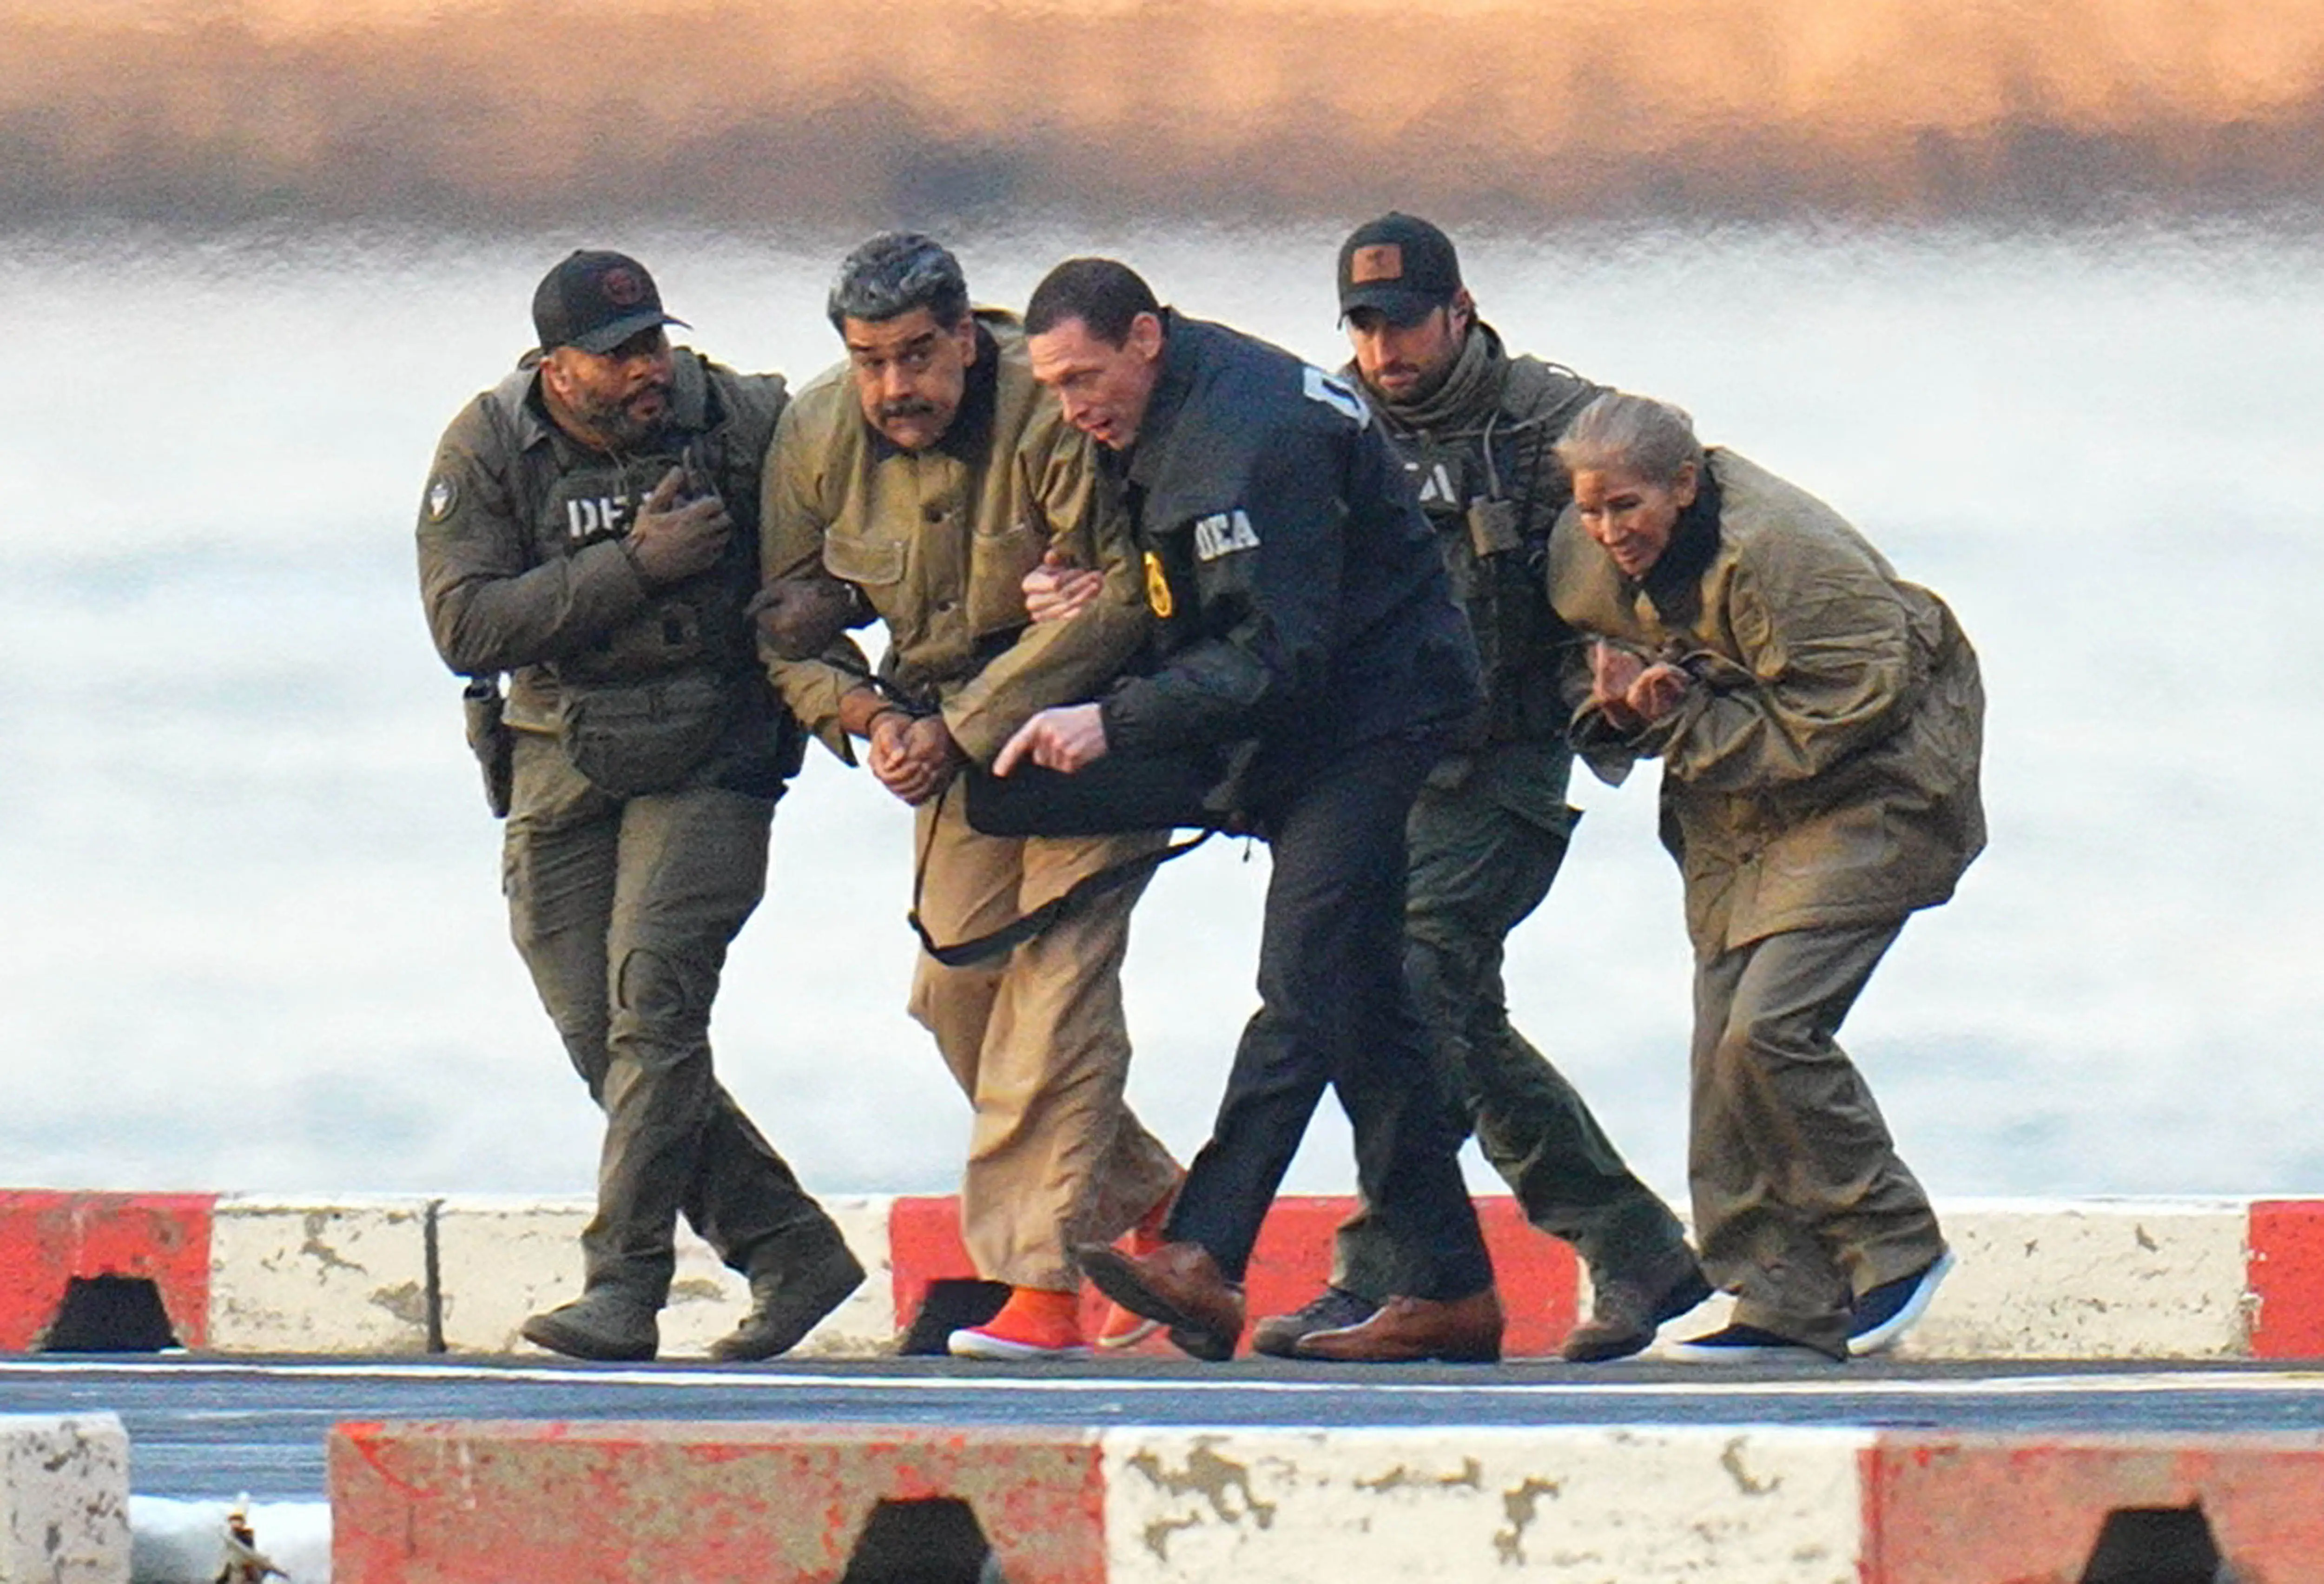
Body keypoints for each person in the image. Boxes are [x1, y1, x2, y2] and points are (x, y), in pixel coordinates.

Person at [1007, 257, 1502, 1364]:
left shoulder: (1248, 434)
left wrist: (1115, 719)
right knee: (1363, 1008)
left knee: (1305, 978)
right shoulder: (1163, 412)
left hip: (1376, 715)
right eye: (1051, 387)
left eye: (1086, 376)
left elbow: (1277, 653)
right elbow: (1202, 596)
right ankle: (1452, 1288)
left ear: (1144, 336)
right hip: (1308, 721)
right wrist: (1091, 595)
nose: (1074, 405)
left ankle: (1203, 1254)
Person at [416, 250, 862, 1363]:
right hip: (558, 752)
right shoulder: (487, 445)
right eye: (614, 357)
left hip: (713, 745)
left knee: (654, 1007)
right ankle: (790, 1246)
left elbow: (865, 507)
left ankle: (623, 1290)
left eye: (653, 345)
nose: (644, 370)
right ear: (553, 366)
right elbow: (465, 627)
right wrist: (634, 564)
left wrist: (829, 599)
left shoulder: (747, 417)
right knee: (597, 1038)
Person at [1275, 212, 1705, 1364]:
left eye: (1403, 323)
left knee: (1414, 984)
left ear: (1458, 312)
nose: (1382, 350)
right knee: (1414, 1009)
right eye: (1362, 327)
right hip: (1378, 772)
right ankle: (1630, 1253)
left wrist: (1630, 673)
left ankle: (1398, 1269)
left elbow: (1672, 532)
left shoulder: (1551, 427)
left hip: (1504, 758)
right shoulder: (1328, 425)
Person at [759, 233, 1182, 1361]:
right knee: (959, 1000)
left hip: (1089, 731)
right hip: (936, 739)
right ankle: (1160, 1202)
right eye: (869, 362)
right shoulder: (813, 434)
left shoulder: (1048, 410)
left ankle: (1038, 1293)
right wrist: (869, 720)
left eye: (915, 357)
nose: (895, 388)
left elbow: (1116, 605)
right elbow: (786, 623)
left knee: (1058, 994)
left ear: (963, 337)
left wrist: (962, 727)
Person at [1546, 391, 1980, 1362]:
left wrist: (1683, 713)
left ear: (1686, 485)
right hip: (1738, 813)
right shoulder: (1584, 558)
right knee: (1718, 1054)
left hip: (1877, 789)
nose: (1609, 532)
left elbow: (1853, 706)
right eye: (1591, 510)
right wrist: (1621, 707)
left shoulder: (1790, 554)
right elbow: (1584, 664)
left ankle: (1894, 1245)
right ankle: (1782, 1294)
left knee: (1772, 1028)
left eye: (1628, 509)